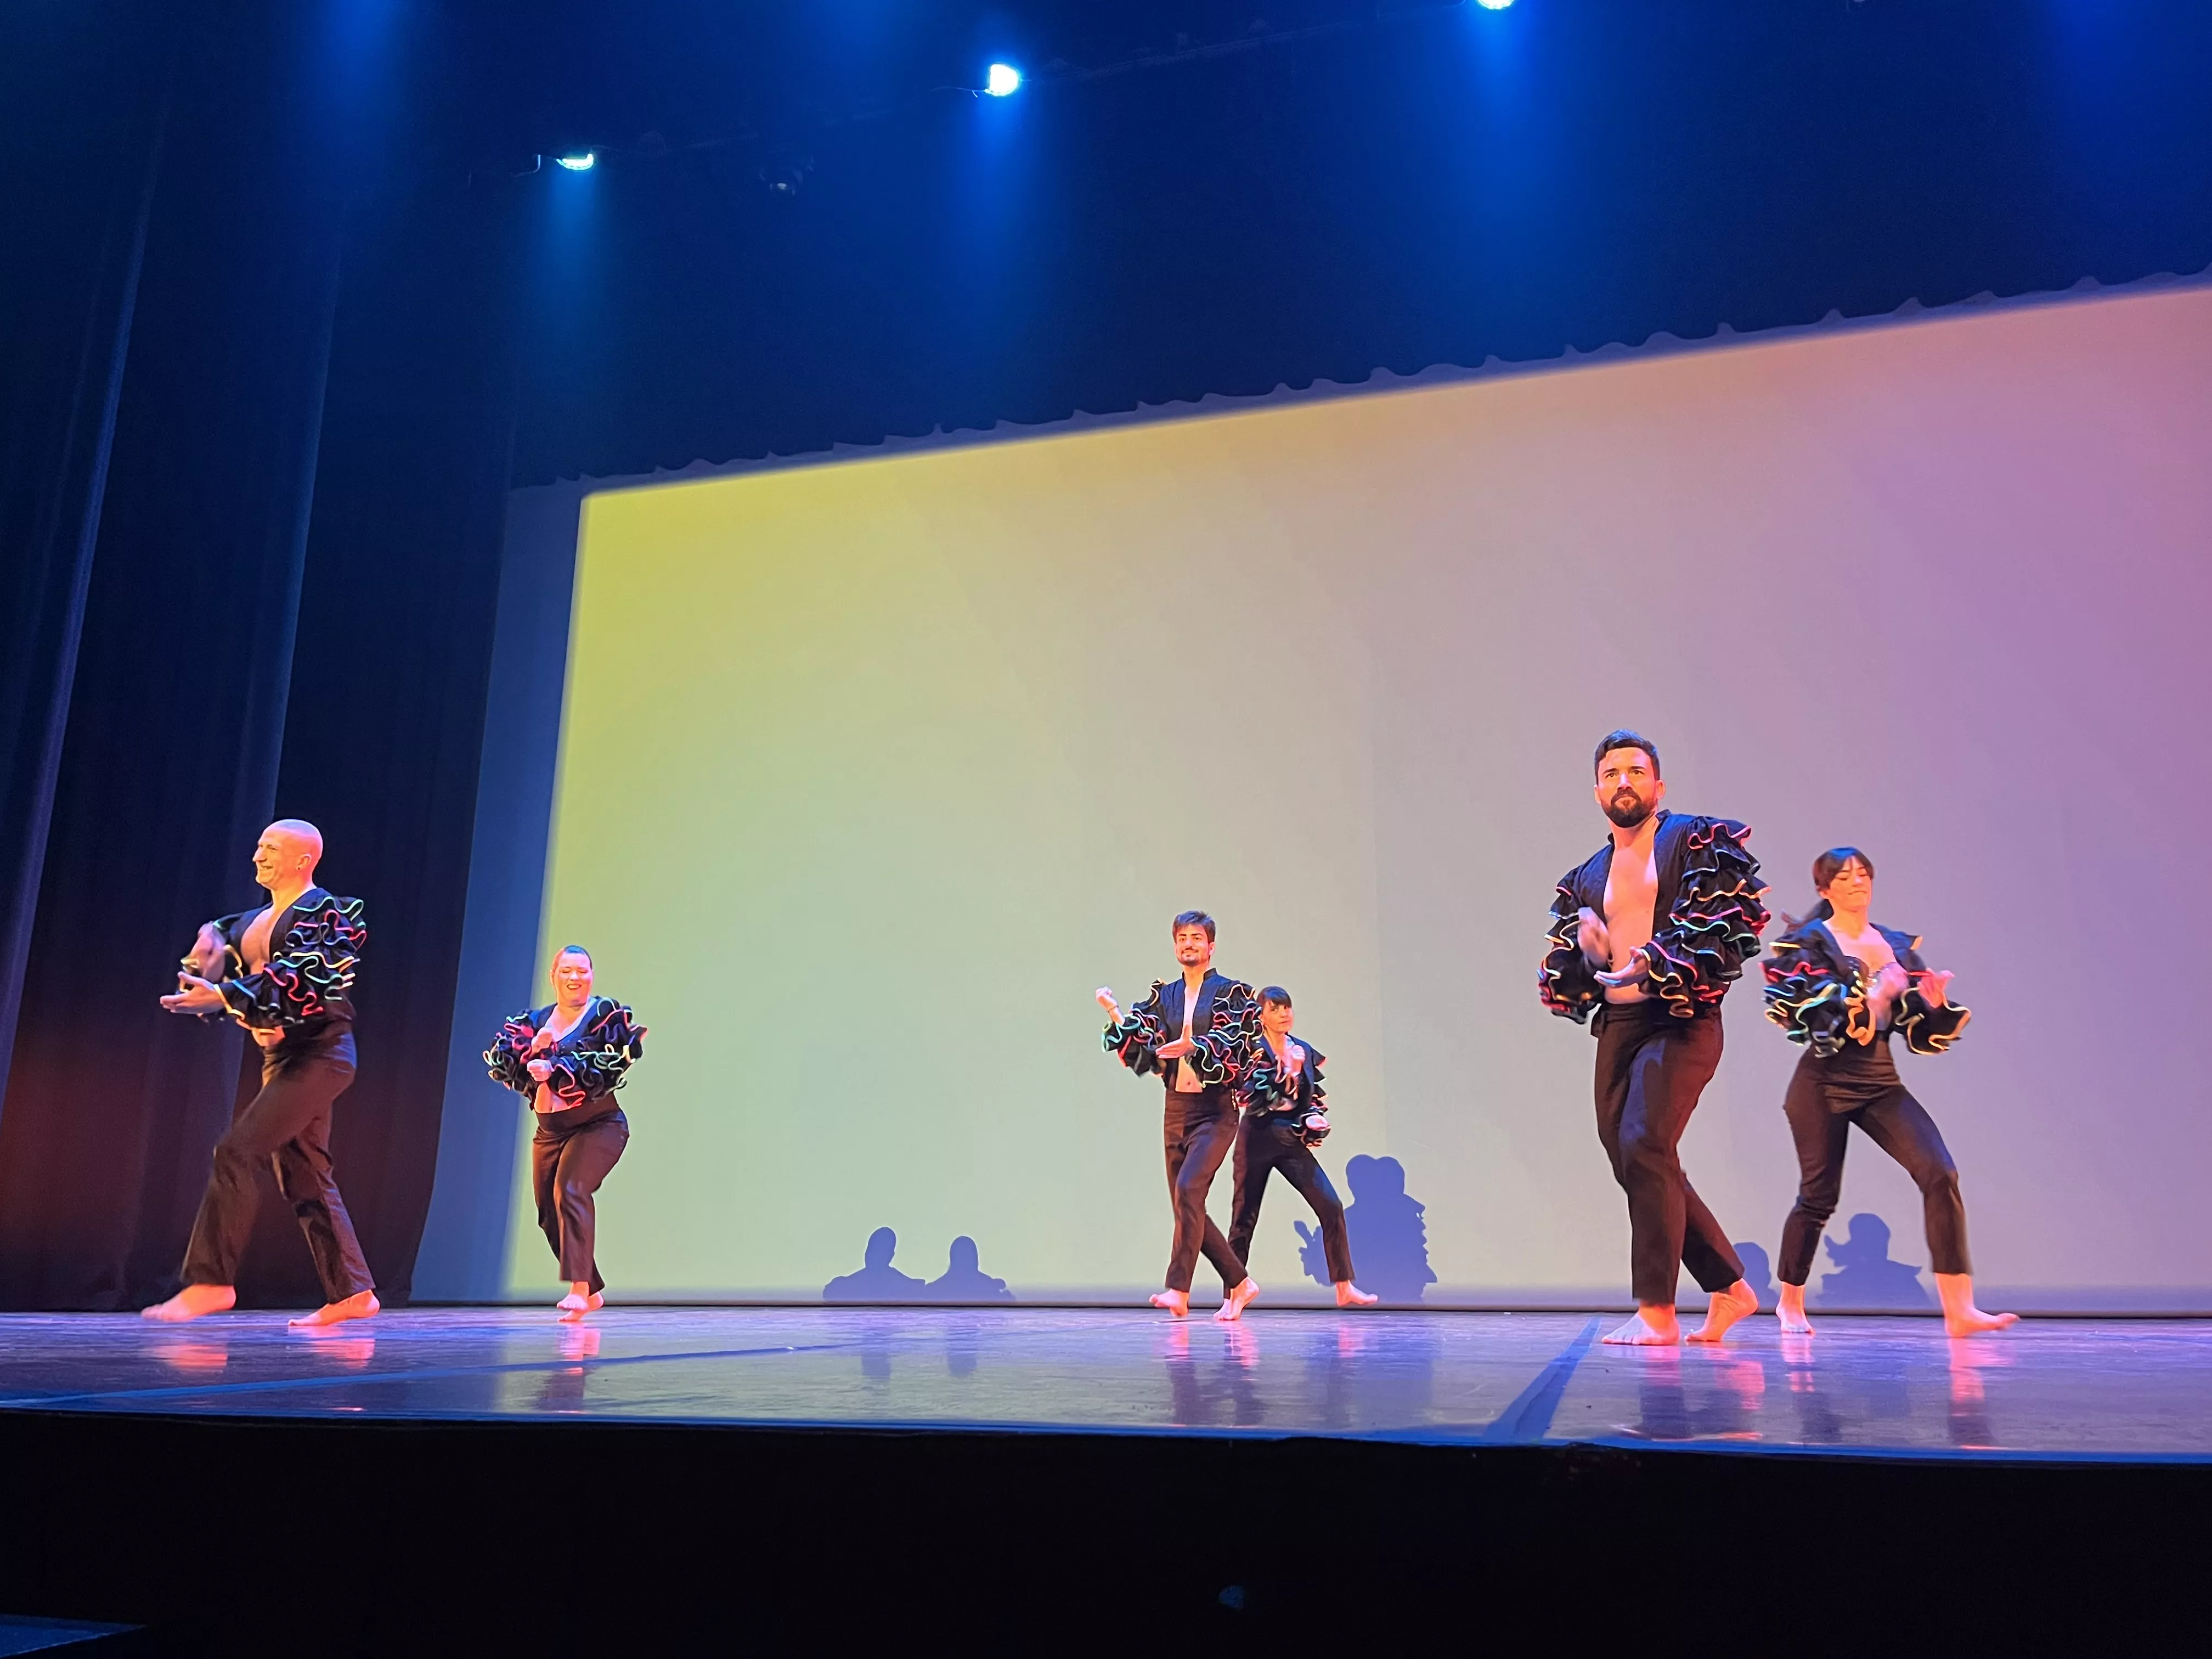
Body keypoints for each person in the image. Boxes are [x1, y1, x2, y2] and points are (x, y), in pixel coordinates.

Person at [1539, 731, 1769, 1346]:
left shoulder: (1695, 841)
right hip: (1619, 1025)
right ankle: (1729, 1287)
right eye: (1611, 774)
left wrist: (1657, 959)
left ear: (1658, 786)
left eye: (1636, 772)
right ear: (1596, 792)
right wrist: (1589, 953)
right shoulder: (1589, 875)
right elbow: (1575, 970)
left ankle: (1657, 1312)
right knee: (1637, 1158)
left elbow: (1723, 922)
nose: (1624, 782)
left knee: (1643, 1143)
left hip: (1681, 1019)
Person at [1763, 847, 2015, 1338]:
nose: (1856, 881)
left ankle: (1960, 1309)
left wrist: (1933, 1004)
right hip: (1821, 1083)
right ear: (1824, 889)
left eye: (1863, 873)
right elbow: (1816, 1021)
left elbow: (1920, 1032)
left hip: (1879, 1083)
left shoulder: (1894, 945)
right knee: (1819, 1197)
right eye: (1843, 875)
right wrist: (1876, 996)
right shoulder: (1810, 944)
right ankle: (1789, 1302)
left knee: (1939, 1172)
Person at [145, 820, 378, 1327]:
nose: (257, 857)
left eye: (270, 849)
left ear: (303, 860)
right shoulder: (249, 921)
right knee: (305, 1173)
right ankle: (353, 1293)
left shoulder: (327, 914)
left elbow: (297, 981)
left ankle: (210, 1281)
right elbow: (218, 954)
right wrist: (207, 963)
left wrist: (226, 997)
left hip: (323, 1054)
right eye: (257, 847)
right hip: (283, 1060)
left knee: (237, 1149)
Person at [1097, 910, 1261, 1322]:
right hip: (1176, 1109)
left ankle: (1178, 1289)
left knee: (1189, 1191)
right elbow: (1142, 1040)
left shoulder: (1230, 993)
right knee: (1186, 1205)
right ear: (1175, 946)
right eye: (1182, 938)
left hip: (1216, 1110)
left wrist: (1195, 1047)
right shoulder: (1164, 996)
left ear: (1211, 946)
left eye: (1197, 938)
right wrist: (1116, 1015)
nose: (1189, 944)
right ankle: (1240, 1284)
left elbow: (1236, 1038)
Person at [486, 945, 646, 1321]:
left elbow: (604, 1067)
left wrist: (556, 1064)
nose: (576, 978)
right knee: (548, 1214)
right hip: (550, 1132)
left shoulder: (603, 1017)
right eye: (568, 971)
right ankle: (590, 1290)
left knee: (571, 1191)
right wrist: (533, 1053)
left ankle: (577, 1288)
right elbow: (505, 1062)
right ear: (554, 977)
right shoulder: (536, 1020)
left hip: (599, 1125)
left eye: (583, 971)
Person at [1220, 986, 1378, 1309]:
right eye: (1275, 1009)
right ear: (1261, 1016)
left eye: (1287, 1008)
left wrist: (1314, 1119)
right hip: (1257, 1138)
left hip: (1289, 1138)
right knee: (1244, 1218)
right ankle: (1233, 1297)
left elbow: (1311, 1097)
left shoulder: (1302, 1049)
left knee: (1331, 1206)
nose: (1284, 1014)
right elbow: (1250, 1095)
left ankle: (1344, 1285)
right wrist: (1286, 1070)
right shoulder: (1253, 1050)